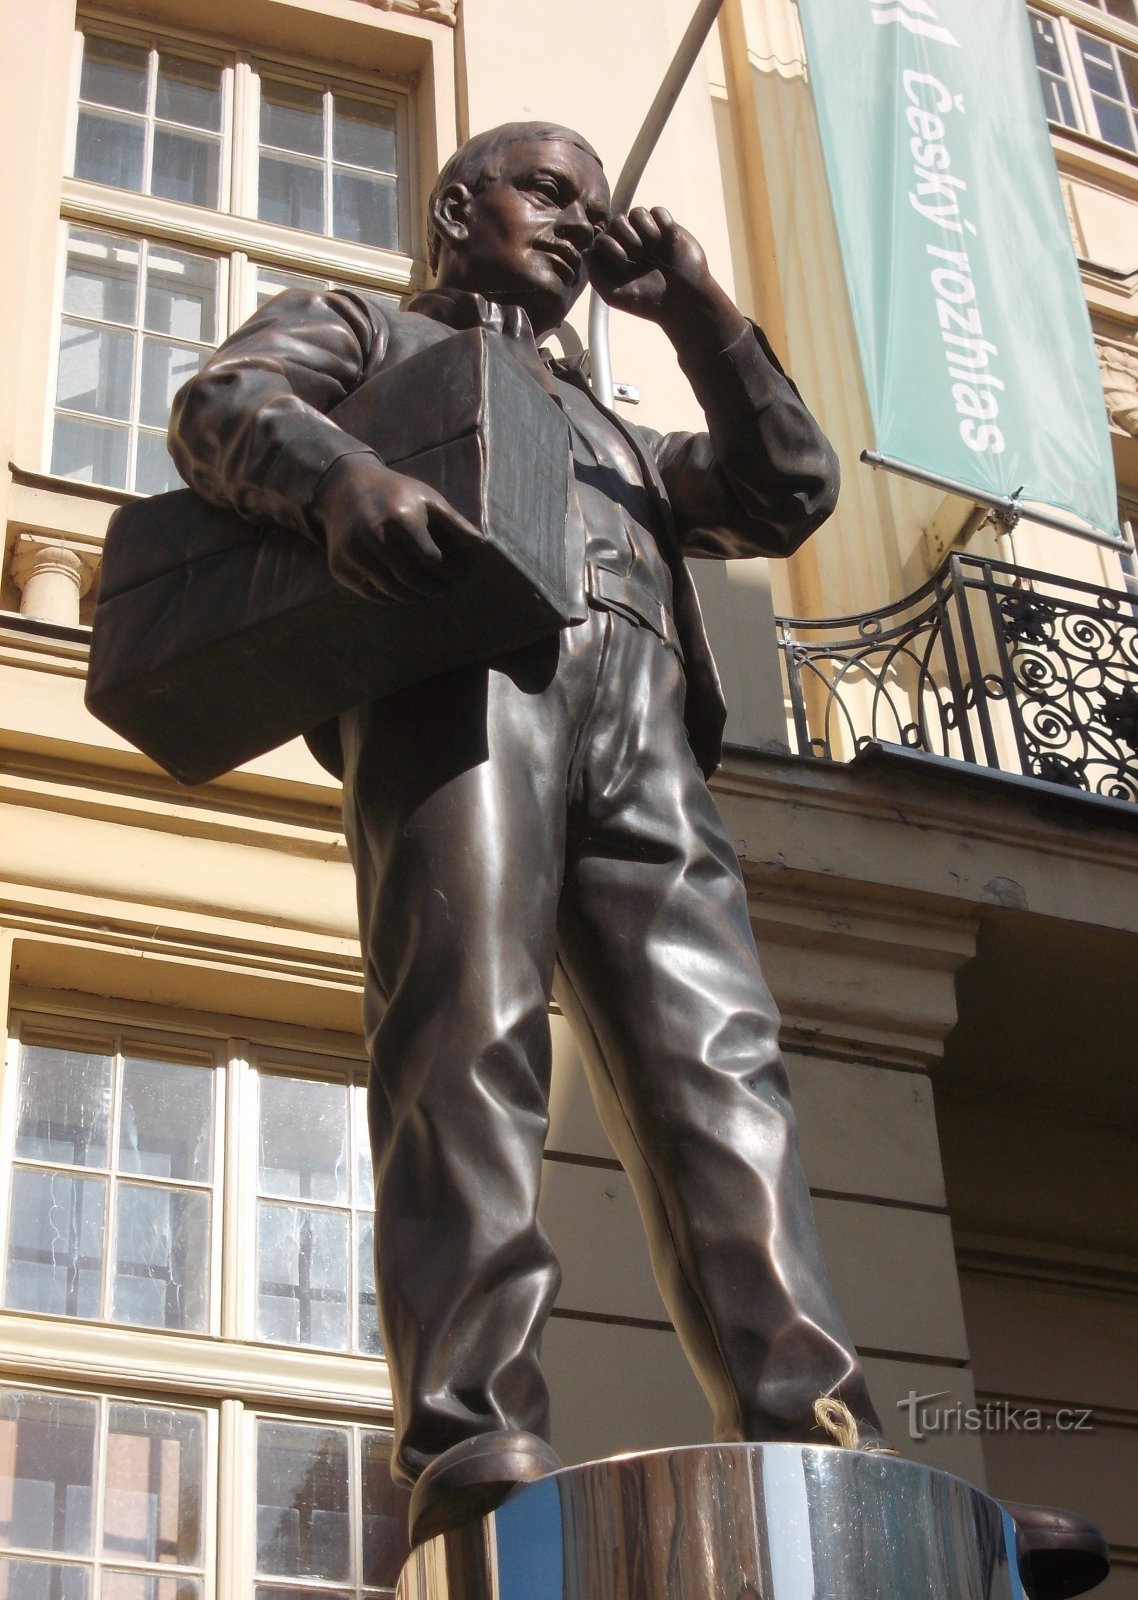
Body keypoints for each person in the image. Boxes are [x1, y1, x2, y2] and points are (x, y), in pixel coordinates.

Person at [168, 119, 892, 1545]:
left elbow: (785, 488)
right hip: (464, 679)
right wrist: (336, 481)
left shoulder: (618, 429)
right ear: (456, 204)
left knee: (722, 1082)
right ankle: (471, 1426)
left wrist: (692, 303)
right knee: (469, 1029)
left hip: (645, 729)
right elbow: (223, 401)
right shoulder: (370, 330)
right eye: (547, 192)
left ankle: (827, 1448)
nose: (574, 221)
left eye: (594, 206)